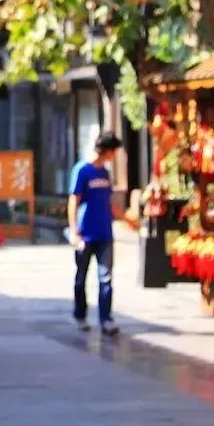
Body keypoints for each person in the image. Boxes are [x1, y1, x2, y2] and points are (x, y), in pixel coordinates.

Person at [68, 131, 123, 336]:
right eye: (114, 151)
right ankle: (80, 315)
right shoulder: (82, 170)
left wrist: (126, 218)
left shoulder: (105, 173)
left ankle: (106, 319)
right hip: (85, 232)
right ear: (108, 151)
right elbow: (74, 200)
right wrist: (74, 230)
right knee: (81, 277)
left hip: (104, 232)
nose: (115, 155)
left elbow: (108, 202)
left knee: (106, 277)